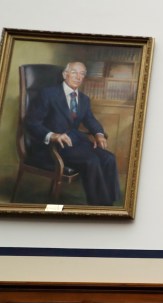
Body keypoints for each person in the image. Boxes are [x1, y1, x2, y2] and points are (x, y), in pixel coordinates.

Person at [25, 61, 121, 206]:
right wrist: (53, 135)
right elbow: (32, 123)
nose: (78, 77)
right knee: (92, 161)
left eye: (82, 73)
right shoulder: (48, 94)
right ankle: (98, 206)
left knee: (109, 158)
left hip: (76, 142)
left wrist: (99, 134)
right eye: (74, 72)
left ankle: (109, 204)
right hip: (53, 146)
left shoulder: (84, 99)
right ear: (65, 75)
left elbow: (90, 119)